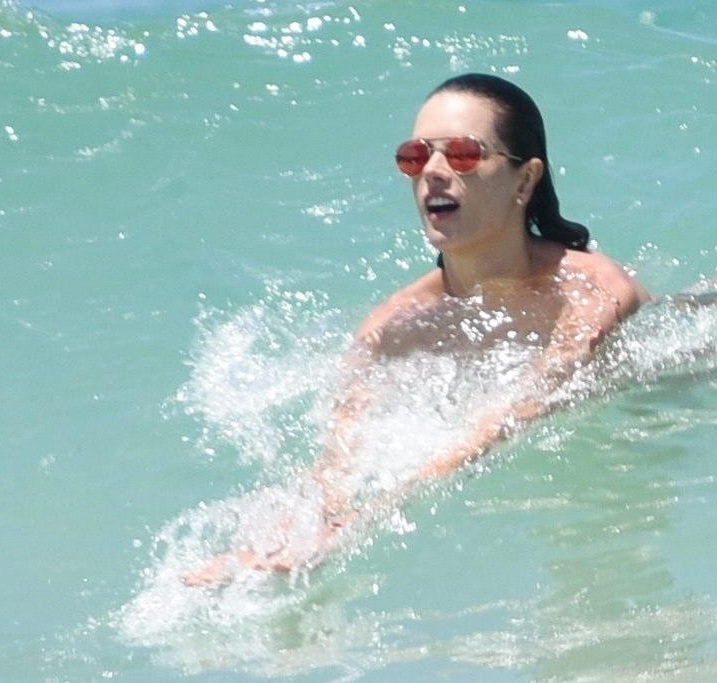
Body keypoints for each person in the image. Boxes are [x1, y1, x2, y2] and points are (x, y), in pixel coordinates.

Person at [184, 74, 655, 585]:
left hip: (658, 408)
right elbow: (339, 461)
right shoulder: (393, 328)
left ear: (524, 181)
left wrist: (375, 514)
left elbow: (525, 407)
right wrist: (285, 539)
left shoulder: (590, 290)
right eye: (415, 157)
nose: (433, 171)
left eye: (463, 154)